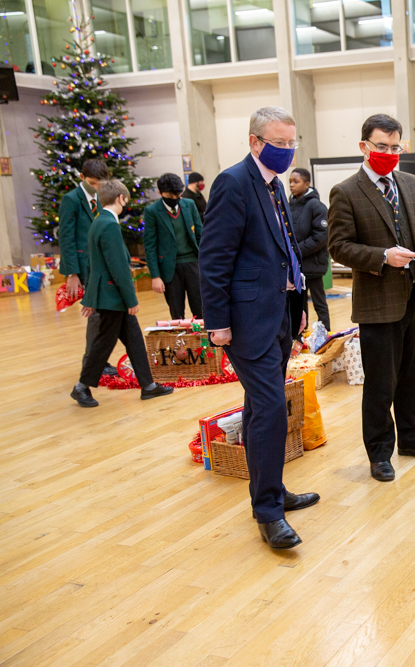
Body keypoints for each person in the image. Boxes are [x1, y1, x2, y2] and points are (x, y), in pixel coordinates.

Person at [199, 106, 320, 550]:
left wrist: (299, 301)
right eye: (278, 143)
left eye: (292, 144)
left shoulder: (275, 187)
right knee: (270, 408)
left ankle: (272, 488)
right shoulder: (233, 183)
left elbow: (286, 251)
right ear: (254, 141)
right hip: (247, 321)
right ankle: (267, 512)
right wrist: (218, 323)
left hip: (280, 312)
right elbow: (213, 259)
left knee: (259, 406)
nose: (286, 151)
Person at [328, 113, 415, 483]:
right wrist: (381, 256)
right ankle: (379, 454)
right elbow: (339, 246)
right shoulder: (346, 192)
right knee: (380, 383)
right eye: (382, 146)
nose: (390, 153)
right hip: (377, 302)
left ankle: (412, 439)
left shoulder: (412, 184)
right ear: (364, 146)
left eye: (396, 147)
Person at [70, 180, 174, 407]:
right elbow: (118, 268)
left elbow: (92, 265)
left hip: (107, 294)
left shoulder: (99, 222)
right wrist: (131, 299)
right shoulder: (109, 225)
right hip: (113, 296)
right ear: (120, 198)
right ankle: (81, 387)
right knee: (103, 344)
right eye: (125, 199)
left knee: (134, 340)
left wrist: (90, 297)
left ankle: (148, 386)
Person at [59, 159, 118, 377]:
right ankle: (92, 362)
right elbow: (66, 238)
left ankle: (98, 361)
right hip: (84, 267)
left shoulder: (104, 198)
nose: (95, 188)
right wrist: (71, 273)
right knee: (95, 315)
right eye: (92, 183)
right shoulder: (71, 200)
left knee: (104, 315)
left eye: (100, 184)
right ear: (82, 177)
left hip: (102, 264)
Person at [143, 173, 203, 319]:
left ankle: (203, 341)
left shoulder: (189, 205)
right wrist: (155, 276)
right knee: (176, 313)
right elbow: (150, 246)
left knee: (200, 309)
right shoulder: (152, 211)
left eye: (178, 195)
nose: (175, 199)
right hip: (170, 269)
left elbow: (200, 236)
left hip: (193, 264)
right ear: (160, 193)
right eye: (170, 196)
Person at [288, 167, 331, 332]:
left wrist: (297, 250)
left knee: (319, 302)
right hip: (296, 265)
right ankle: (302, 335)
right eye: (290, 181)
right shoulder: (289, 204)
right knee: (299, 303)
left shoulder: (316, 206)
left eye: (296, 182)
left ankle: (325, 335)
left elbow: (321, 236)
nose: (292, 185)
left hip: (313, 264)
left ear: (307, 184)